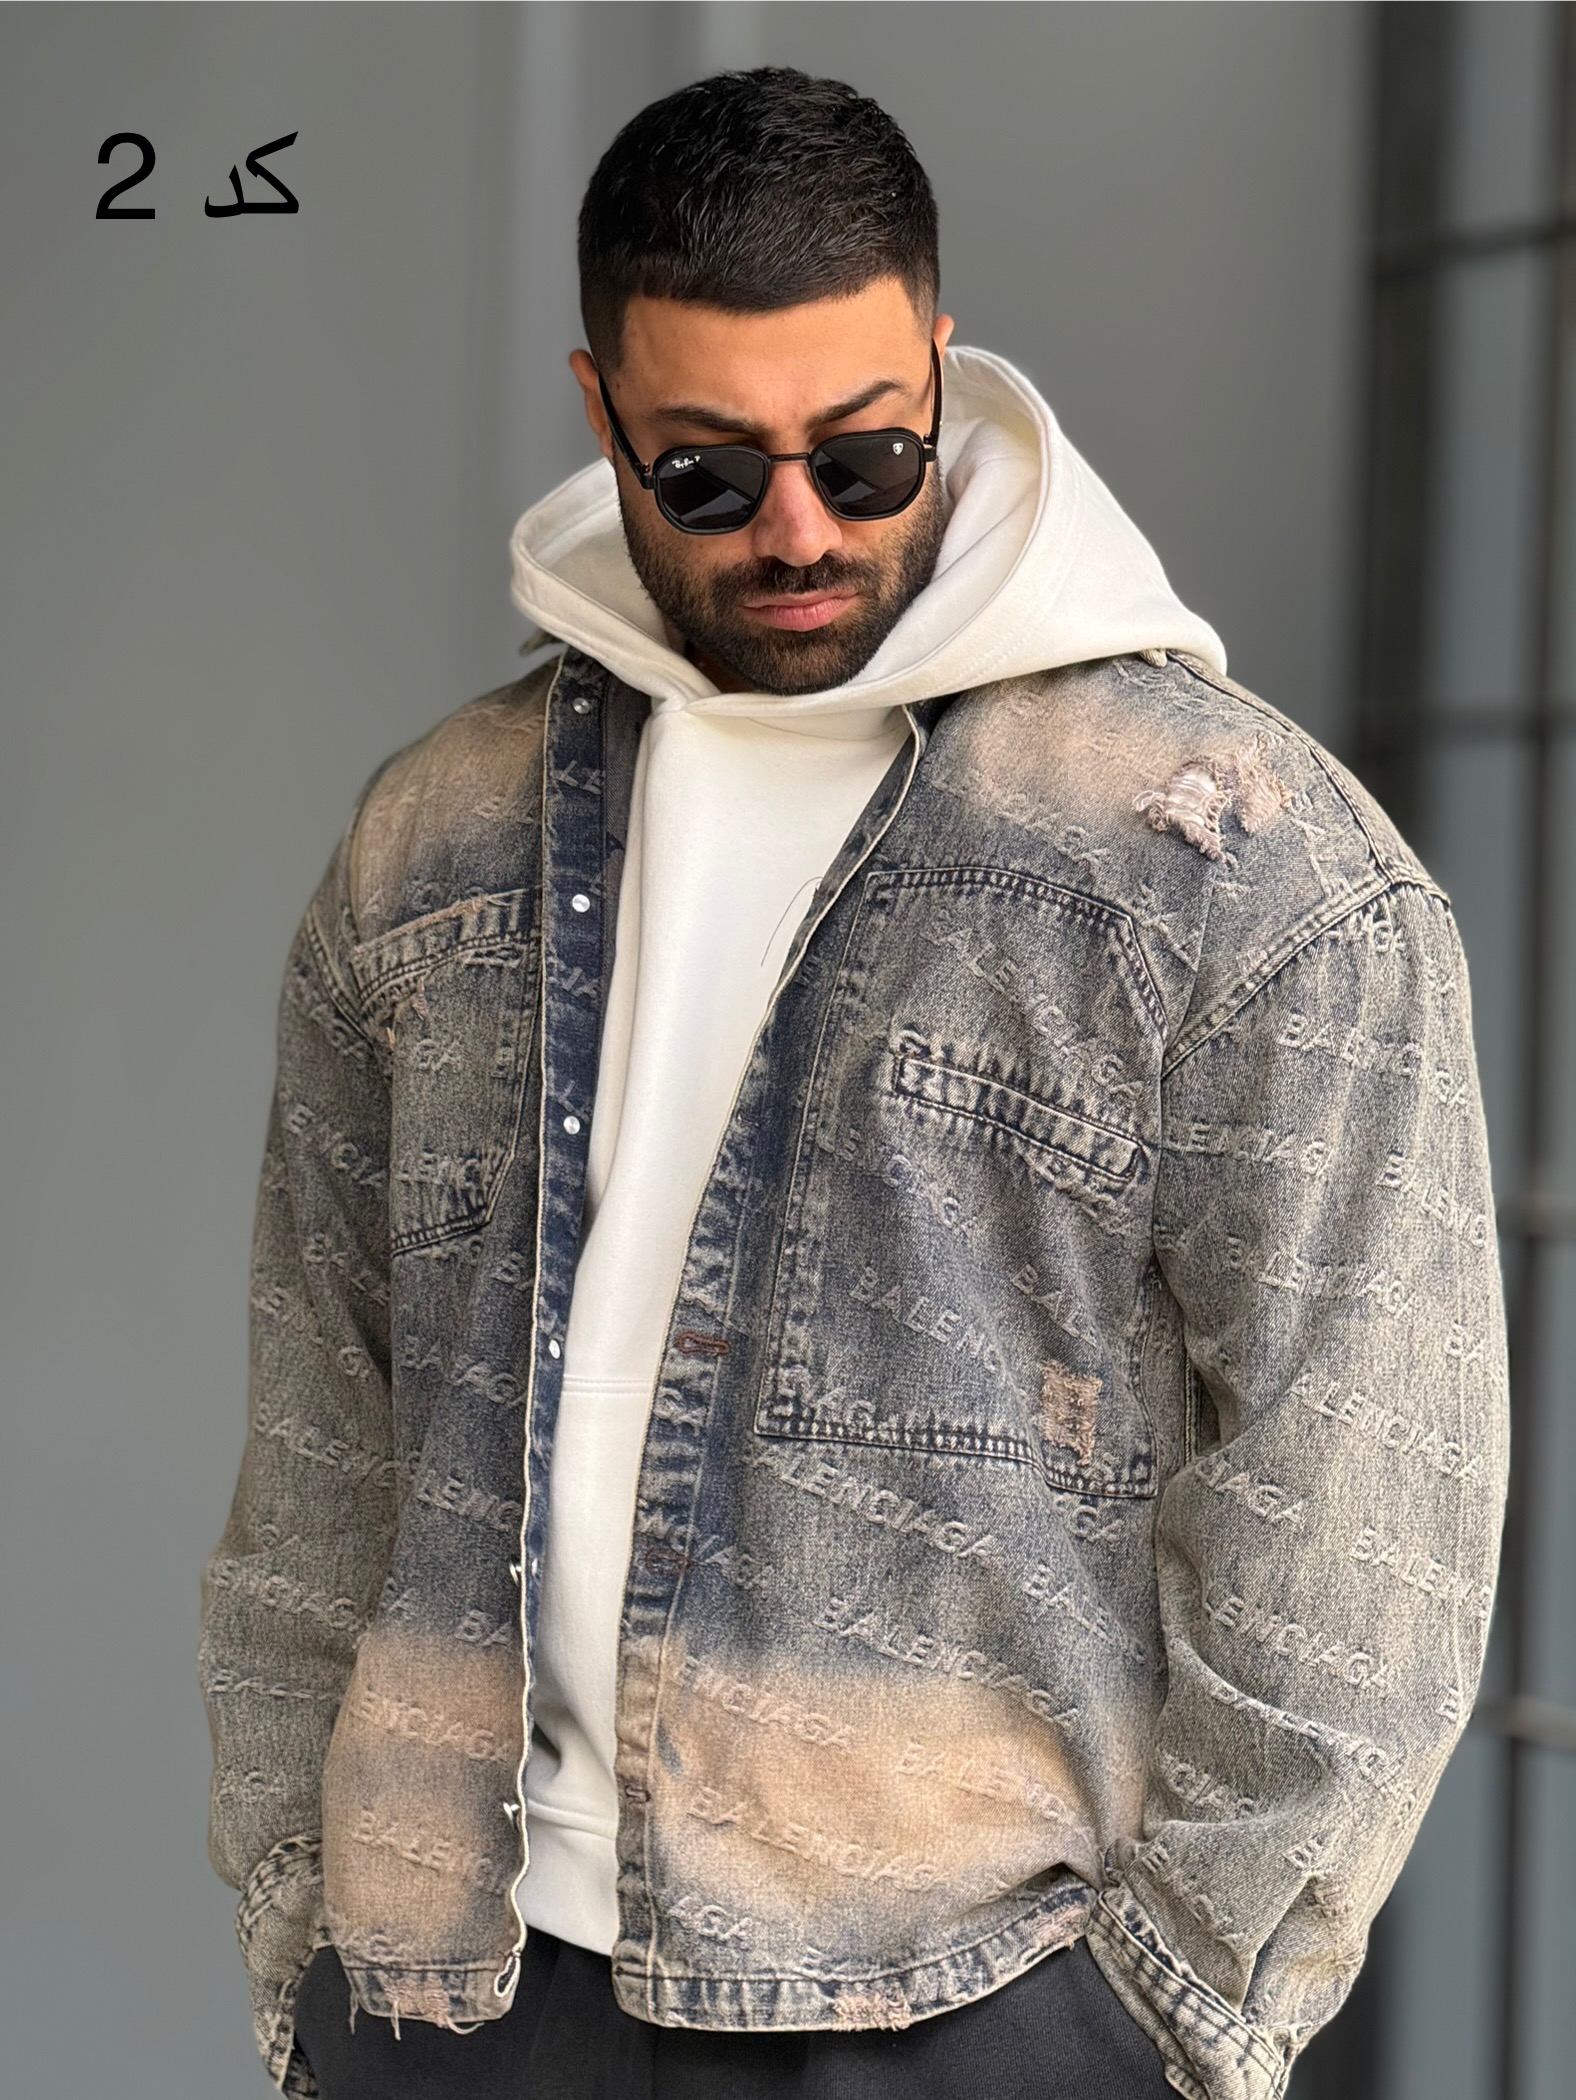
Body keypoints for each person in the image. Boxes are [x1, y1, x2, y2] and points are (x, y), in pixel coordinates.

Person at [199, 67, 1509, 2100]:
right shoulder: (431, 844)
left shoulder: (1234, 863)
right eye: (709, 474)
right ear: (603, 415)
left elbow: (1364, 1504)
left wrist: (1163, 2022)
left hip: (971, 2013)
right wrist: (305, 1928)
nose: (800, 528)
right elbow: (321, 1441)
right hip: (453, 1998)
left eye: (868, 454)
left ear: (942, 368)